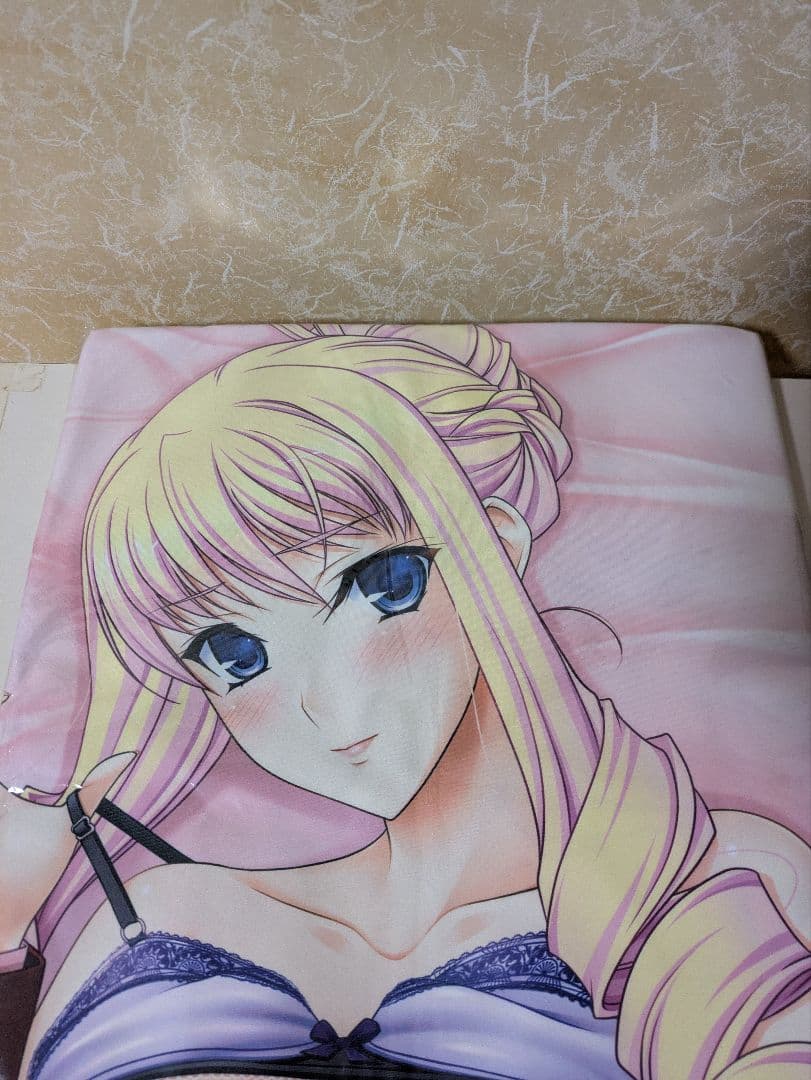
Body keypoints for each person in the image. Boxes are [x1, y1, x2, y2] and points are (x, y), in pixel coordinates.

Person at [0, 323, 809, 1080]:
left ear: (495, 547)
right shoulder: (159, 908)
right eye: (234, 655)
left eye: (379, 587)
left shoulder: (713, 872)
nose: (325, 707)